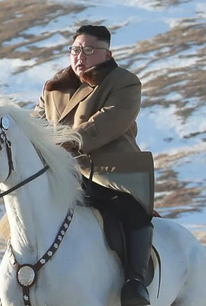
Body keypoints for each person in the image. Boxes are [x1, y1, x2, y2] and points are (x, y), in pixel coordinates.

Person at [34, 25, 155, 306]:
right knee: (25, 216)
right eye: (76, 49)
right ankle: (20, 278)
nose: (81, 56)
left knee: (132, 213)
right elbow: (36, 123)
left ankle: (134, 281)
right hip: (63, 173)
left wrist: (69, 141)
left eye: (89, 50)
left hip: (108, 171)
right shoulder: (54, 87)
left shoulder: (124, 82)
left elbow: (108, 120)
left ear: (107, 54)